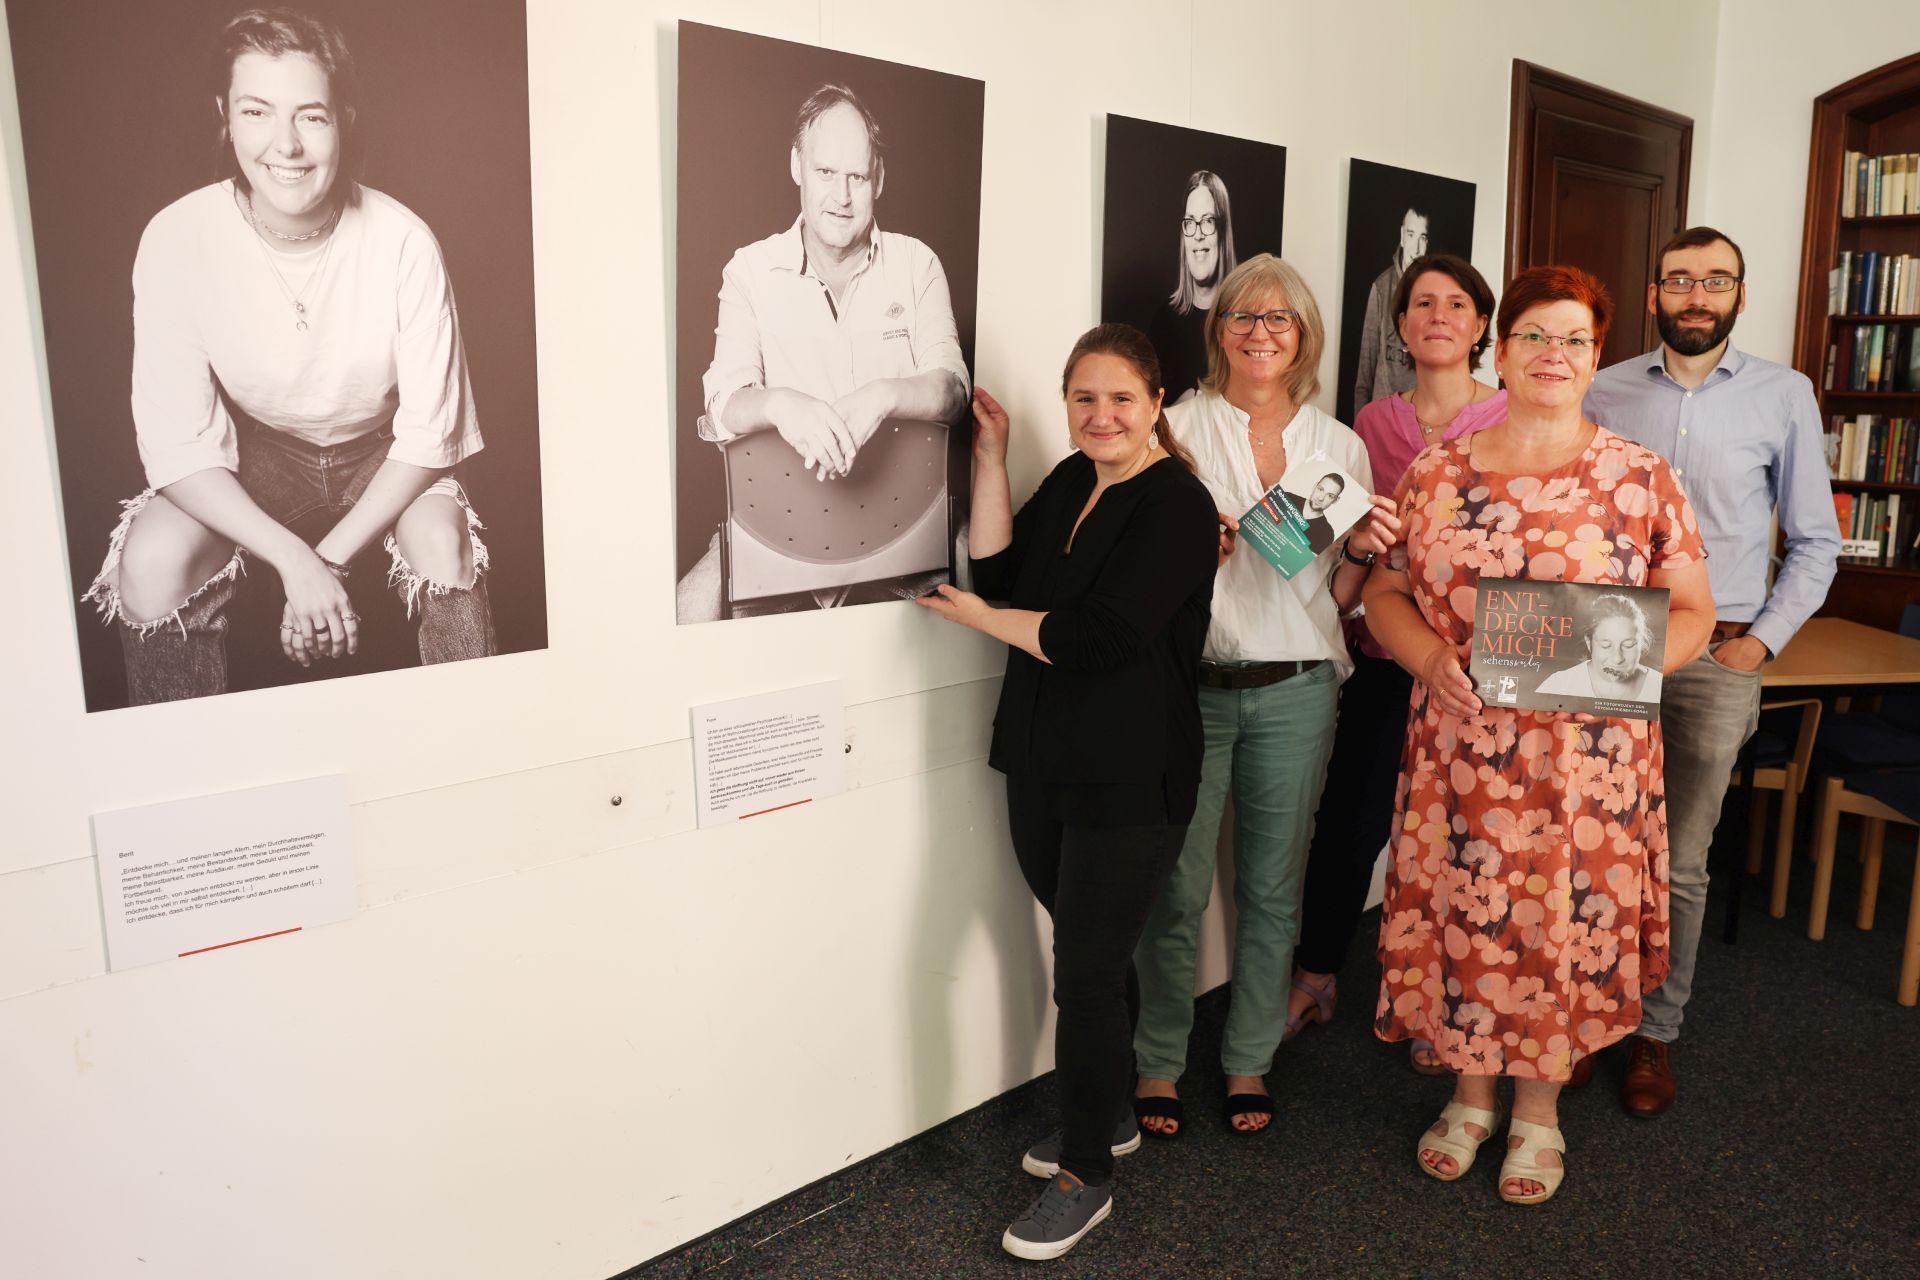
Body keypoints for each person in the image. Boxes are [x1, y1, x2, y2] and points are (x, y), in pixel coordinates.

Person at [1364, 264, 1713, 1204]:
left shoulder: (1640, 478)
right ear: (1501, 350)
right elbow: (1385, 590)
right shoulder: (1435, 473)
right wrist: (1429, 657)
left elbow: (1692, 616)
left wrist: (1614, 671)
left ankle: (1539, 1114)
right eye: (1534, 337)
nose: (1552, 355)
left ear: (1595, 356)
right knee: (1466, 915)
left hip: (1587, 765)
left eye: (1573, 339)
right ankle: (1471, 1098)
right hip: (1460, 750)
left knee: (1558, 924)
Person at [82, 8, 493, 705]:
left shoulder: (402, 241)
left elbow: (429, 435)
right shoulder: (178, 238)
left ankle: (481, 745)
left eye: (312, 116)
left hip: (384, 456)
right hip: (257, 456)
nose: (286, 145)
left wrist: (325, 561)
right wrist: (290, 558)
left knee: (443, 545)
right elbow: (179, 444)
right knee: (150, 559)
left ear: (345, 121)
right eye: (257, 112)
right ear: (226, 117)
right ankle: (190, 779)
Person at [916, 324, 1217, 1260]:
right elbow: (1004, 574)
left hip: (1132, 772)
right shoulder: (1074, 482)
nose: (1101, 415)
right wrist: (994, 456)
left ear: (1157, 403)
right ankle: (1113, 1109)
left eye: (1121, 398)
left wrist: (977, 620)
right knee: (1089, 946)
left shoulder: (1177, 504)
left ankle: (1089, 1169)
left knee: (1083, 972)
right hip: (1043, 758)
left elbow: (1098, 639)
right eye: (1084, 398)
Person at [1130, 254, 1400, 1138]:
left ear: (1303, 338)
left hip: (1298, 687)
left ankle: (1249, 1055)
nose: (1259, 332)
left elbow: (1342, 597)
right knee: (1175, 887)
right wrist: (1181, 554)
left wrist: (1364, 549)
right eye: (1243, 317)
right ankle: (1160, 1061)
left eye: (1279, 320)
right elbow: (1135, 573)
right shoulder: (1172, 429)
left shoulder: (1341, 446)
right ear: (1219, 332)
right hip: (1191, 688)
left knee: (1274, 886)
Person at [1583, 226, 1841, 1115]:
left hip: (1719, 652)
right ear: (1653, 291)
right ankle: (1586, 1021)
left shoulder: (1784, 395)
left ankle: (1655, 1030)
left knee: (1681, 860)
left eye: (1716, 281)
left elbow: (1816, 542)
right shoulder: (1604, 387)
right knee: (1592, 844)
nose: (1697, 295)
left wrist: (1758, 644)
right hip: (1607, 648)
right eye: (1680, 280)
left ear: (1740, 293)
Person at [1286, 254, 1507, 1074]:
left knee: (1467, 843)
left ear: (1482, 325)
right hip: (1386, 655)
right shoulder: (1369, 425)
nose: (1439, 316)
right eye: (1422, 304)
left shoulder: (1516, 415)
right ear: (1402, 324)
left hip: (1486, 672)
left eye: (1458, 304)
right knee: (1352, 824)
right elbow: (1334, 540)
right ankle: (1317, 975)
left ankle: (1443, 999)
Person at [678, 82, 971, 620]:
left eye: (856, 176)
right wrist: (780, 404)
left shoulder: (917, 265)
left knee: (981, 595)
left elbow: (954, 392)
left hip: (905, 537)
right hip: (777, 538)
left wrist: (883, 396)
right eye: (825, 173)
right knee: (685, 611)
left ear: (878, 176)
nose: (841, 196)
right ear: (797, 165)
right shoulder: (749, 271)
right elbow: (721, 404)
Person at [1148, 170, 1238, 405]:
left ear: (1223, 231)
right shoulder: (1163, 322)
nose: (1197, 234)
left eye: (1208, 221)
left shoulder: (1246, 323)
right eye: (1190, 223)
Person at [1353, 206, 1429, 411]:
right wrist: (1359, 429)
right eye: (1412, 235)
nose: (1416, 248)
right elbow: (1365, 369)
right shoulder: (1381, 288)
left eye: (1423, 238)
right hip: (1381, 419)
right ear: (1402, 237)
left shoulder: (1437, 295)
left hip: (1421, 421)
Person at [1534, 594, 1663, 702]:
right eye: (1606, 645)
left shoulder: (1659, 687)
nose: (1617, 659)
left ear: (1642, 643)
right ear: (1589, 643)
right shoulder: (1558, 685)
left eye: (1628, 645)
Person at [1279, 469, 1346, 554]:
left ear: (1335, 500)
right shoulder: (1287, 497)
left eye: (1330, 496)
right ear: (1315, 486)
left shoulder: (1326, 534)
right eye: (1321, 489)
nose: (1321, 498)